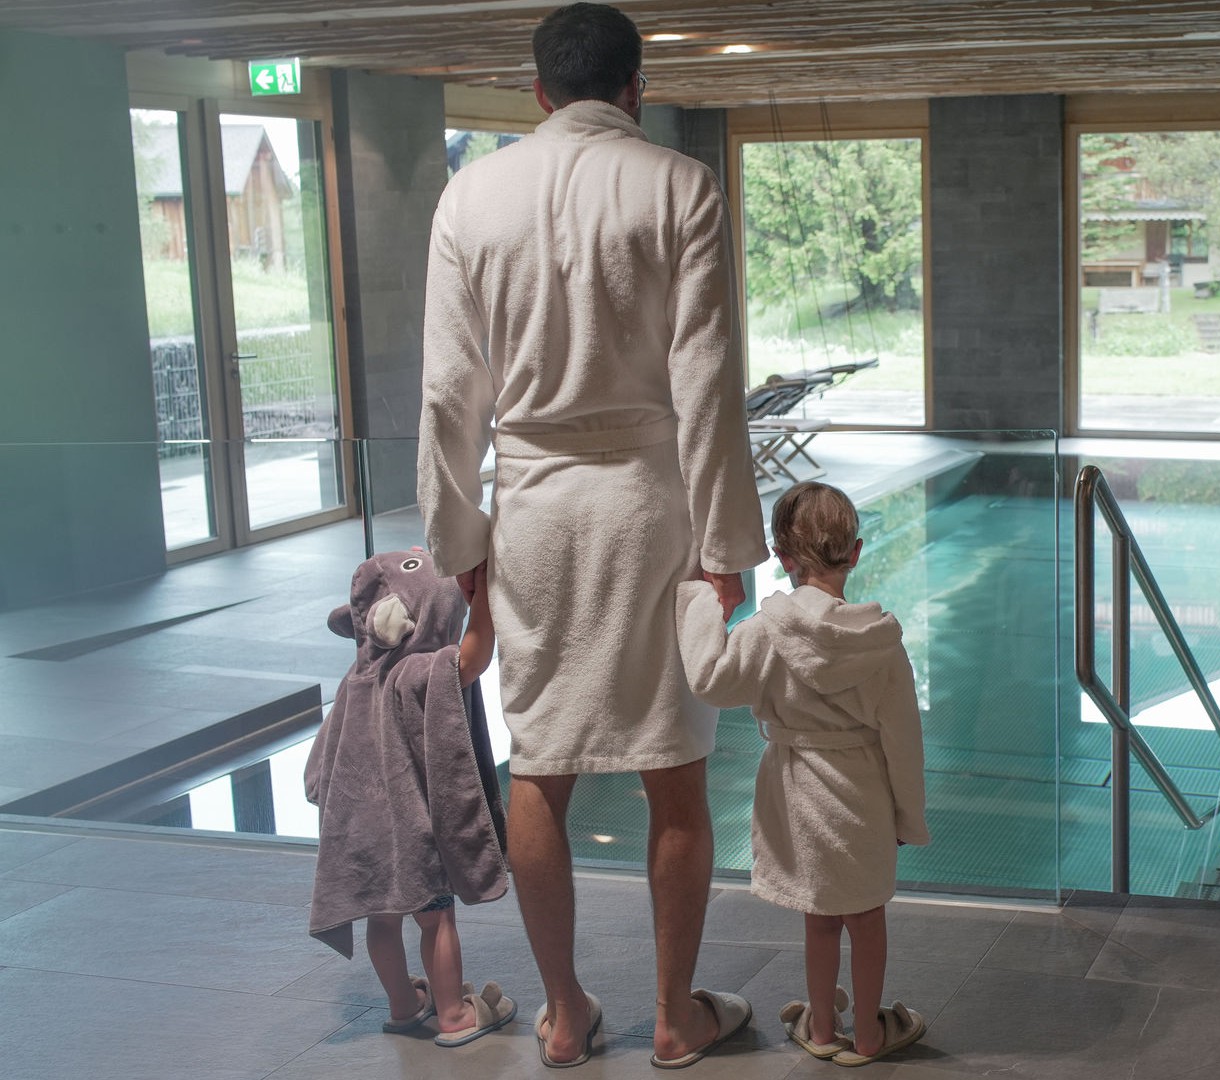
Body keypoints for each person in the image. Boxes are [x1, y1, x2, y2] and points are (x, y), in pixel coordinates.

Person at [416, 1, 767, 1068]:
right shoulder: (681, 188)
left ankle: (566, 1014)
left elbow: (445, 397)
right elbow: (707, 382)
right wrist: (727, 548)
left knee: (540, 762)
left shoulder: (470, 197)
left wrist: (461, 549)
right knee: (676, 774)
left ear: (536, 92)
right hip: (651, 506)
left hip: (535, 512)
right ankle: (673, 1017)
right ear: (635, 88)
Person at [676, 482, 932, 1067]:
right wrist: (906, 815)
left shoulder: (767, 632)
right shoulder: (881, 641)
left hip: (798, 791)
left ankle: (821, 1028)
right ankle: (867, 1035)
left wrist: (703, 604)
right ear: (857, 552)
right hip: (864, 792)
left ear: (783, 559)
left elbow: (711, 680)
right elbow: (904, 742)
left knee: (820, 915)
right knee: (866, 916)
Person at [305, 551, 514, 1048]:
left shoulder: (355, 681)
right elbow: (476, 654)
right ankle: (454, 1013)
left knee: (382, 919)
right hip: (410, 832)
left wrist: (327, 799)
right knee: (435, 918)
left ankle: (403, 1005)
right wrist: (486, 593)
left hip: (361, 831)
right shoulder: (417, 673)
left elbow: (321, 767)